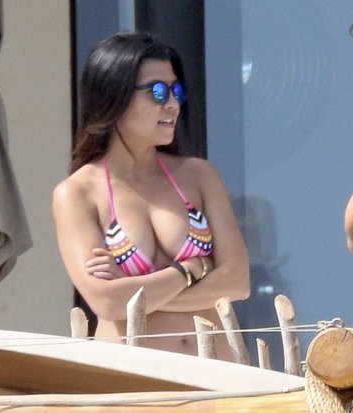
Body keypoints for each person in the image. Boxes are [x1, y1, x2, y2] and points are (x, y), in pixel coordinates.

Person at [52, 31, 250, 359]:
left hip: (216, 376)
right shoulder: (77, 193)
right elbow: (107, 302)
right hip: (129, 378)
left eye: (176, 91)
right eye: (157, 91)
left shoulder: (199, 176)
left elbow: (237, 282)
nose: (172, 104)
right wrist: (191, 269)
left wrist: (133, 294)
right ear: (113, 96)